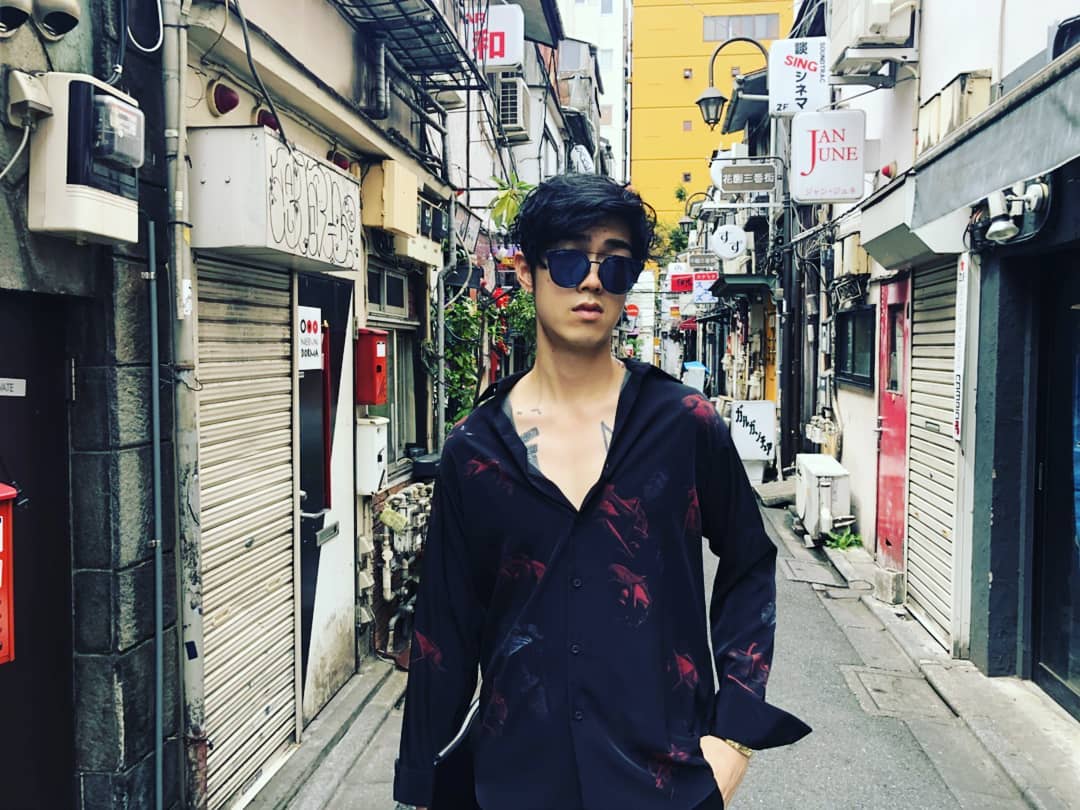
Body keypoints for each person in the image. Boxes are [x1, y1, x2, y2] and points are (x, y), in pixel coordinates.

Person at [393, 174, 810, 810]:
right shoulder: (474, 450)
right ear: (527, 273)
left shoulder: (683, 425)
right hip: (514, 782)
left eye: (613, 265)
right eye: (567, 260)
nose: (590, 281)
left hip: (665, 782)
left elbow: (750, 561)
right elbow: (442, 631)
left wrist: (734, 733)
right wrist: (420, 787)